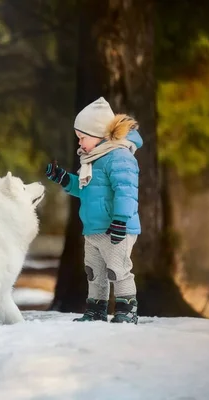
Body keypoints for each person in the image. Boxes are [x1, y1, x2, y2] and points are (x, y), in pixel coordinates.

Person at [45, 97, 143, 324]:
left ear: (99, 133)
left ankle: (126, 310)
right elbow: (86, 190)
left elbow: (126, 192)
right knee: (94, 273)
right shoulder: (92, 160)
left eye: (82, 137)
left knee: (118, 270)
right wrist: (62, 178)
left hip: (116, 227)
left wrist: (120, 220)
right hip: (94, 228)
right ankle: (96, 310)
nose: (79, 144)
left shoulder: (119, 157)